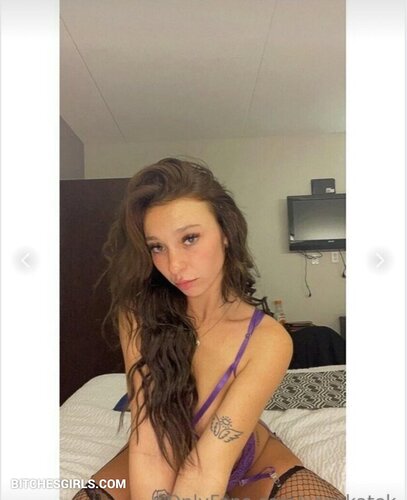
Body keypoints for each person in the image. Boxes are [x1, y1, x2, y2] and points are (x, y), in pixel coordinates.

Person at [73, 158, 345, 499]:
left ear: (226, 233)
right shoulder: (139, 318)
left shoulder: (267, 339)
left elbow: (207, 466)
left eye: (189, 238)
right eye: (157, 247)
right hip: (158, 450)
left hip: (243, 459)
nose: (174, 265)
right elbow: (149, 444)